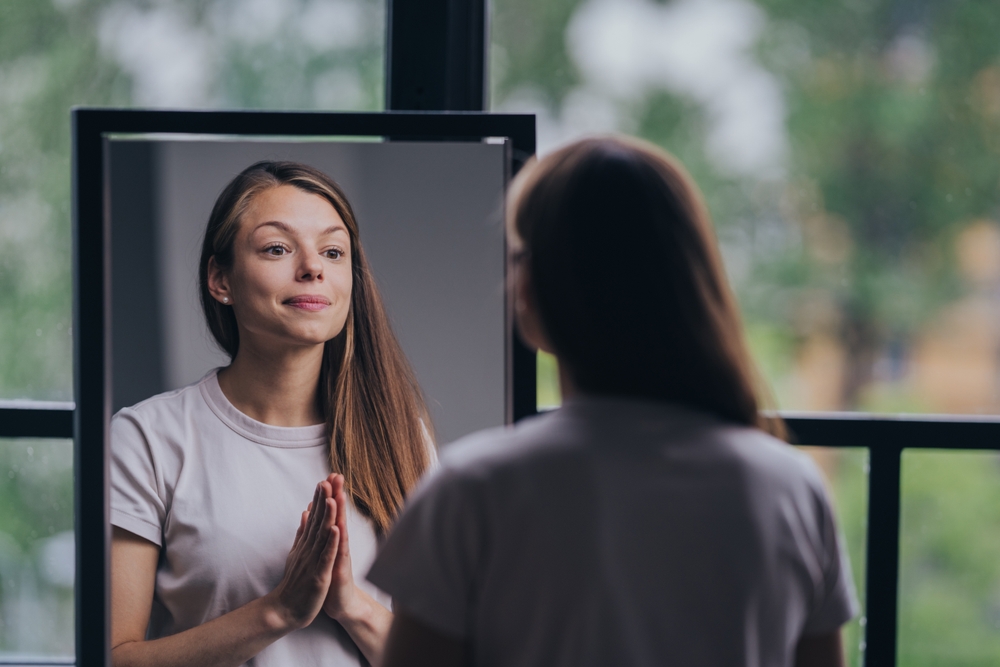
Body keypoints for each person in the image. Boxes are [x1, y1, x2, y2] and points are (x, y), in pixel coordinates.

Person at [367, 136, 859, 667]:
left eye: (515, 258)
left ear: (531, 287)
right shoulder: (791, 489)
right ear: (691, 278)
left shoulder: (473, 492)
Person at [110, 160, 434, 667]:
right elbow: (114, 658)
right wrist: (279, 610)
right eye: (278, 248)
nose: (313, 268)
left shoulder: (401, 437)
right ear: (221, 279)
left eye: (332, 251)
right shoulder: (147, 437)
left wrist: (349, 604)